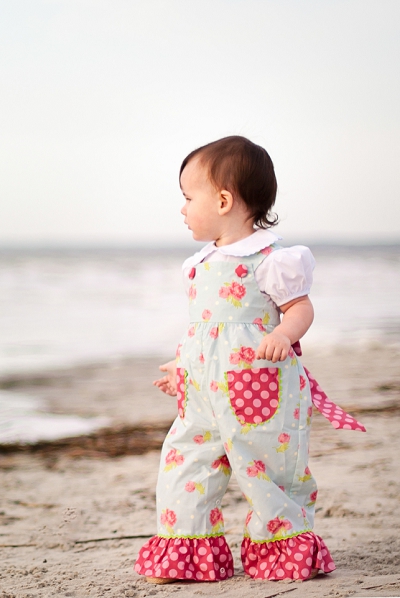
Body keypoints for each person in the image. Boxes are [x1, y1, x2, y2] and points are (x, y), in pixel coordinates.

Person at [134, 136, 365, 584]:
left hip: (259, 387)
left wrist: (283, 333)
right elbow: (206, 328)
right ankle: (186, 548)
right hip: (201, 392)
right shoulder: (200, 263)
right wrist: (181, 365)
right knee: (185, 462)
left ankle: (281, 550)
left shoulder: (272, 260)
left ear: (223, 200)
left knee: (269, 469)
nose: (181, 208)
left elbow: (300, 308)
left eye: (187, 197)